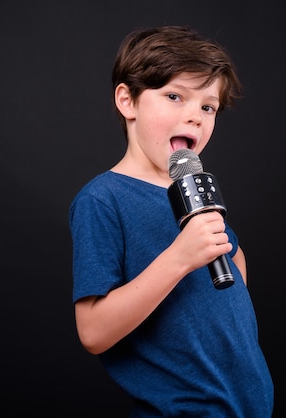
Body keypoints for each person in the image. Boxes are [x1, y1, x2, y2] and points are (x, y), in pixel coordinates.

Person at [69, 25, 274, 417]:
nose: (194, 117)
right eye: (175, 96)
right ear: (128, 101)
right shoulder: (103, 199)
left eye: (207, 106)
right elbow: (92, 332)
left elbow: (230, 267)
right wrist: (180, 257)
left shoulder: (196, 192)